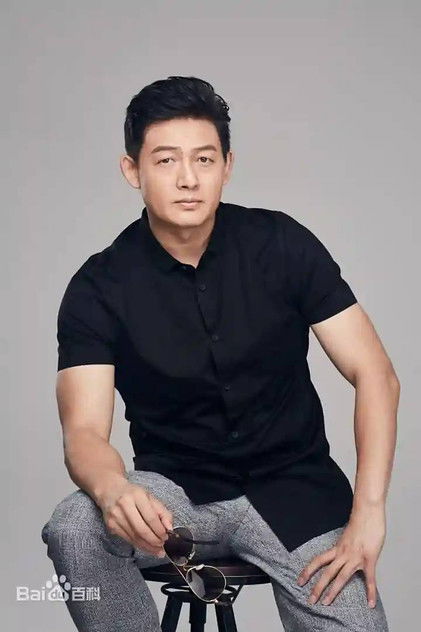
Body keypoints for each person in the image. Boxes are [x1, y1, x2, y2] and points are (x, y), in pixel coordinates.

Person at [41, 76, 399, 631]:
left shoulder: (282, 244)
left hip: (296, 495)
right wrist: (113, 489)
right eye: (166, 160)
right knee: (75, 528)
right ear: (133, 170)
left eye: (204, 159)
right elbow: (84, 431)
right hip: (177, 498)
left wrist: (369, 512)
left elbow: (374, 373)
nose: (188, 179)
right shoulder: (99, 286)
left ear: (226, 166)